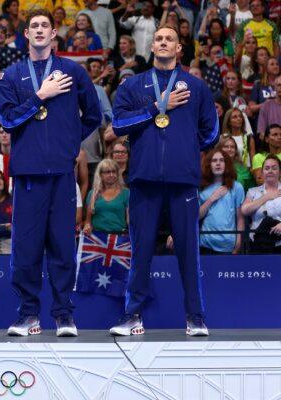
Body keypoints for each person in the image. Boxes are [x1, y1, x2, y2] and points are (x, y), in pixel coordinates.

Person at [0, 9, 100, 337]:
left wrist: (68, 141)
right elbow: (8, 121)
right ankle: (28, 314)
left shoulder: (72, 71)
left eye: (45, 26)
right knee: (25, 249)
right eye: (34, 26)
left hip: (60, 174)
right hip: (27, 174)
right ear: (26, 35)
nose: (39, 30)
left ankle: (63, 314)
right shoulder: (12, 75)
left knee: (61, 247)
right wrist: (41, 96)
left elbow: (93, 115)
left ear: (54, 33)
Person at [110, 25, 219, 337]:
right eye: (158, 38)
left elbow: (211, 131)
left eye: (169, 38)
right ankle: (132, 315)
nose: (163, 42)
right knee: (141, 251)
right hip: (144, 181)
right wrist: (157, 107)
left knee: (188, 251)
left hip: (182, 181)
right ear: (152, 46)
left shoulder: (196, 87)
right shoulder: (134, 85)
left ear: (179, 48)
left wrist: (185, 148)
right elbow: (118, 125)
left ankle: (195, 317)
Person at [197, 149, 245, 254]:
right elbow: (197, 216)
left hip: (229, 245)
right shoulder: (202, 187)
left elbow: (240, 218)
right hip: (206, 244)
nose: (218, 163)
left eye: (221, 160)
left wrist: (238, 243)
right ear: (209, 164)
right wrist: (211, 199)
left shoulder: (237, 187)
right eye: (214, 160)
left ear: (226, 164)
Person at [241, 155, 281, 254]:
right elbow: (244, 210)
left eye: (274, 168)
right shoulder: (252, 192)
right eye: (267, 168)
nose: (270, 171)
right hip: (258, 243)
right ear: (262, 172)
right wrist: (266, 197)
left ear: (280, 172)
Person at [83, 158, 129, 236]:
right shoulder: (92, 193)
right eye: (107, 172)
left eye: (114, 172)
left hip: (120, 238)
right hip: (97, 238)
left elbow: (129, 221)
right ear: (100, 174)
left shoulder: (126, 193)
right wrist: (87, 226)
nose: (111, 175)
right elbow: (88, 221)